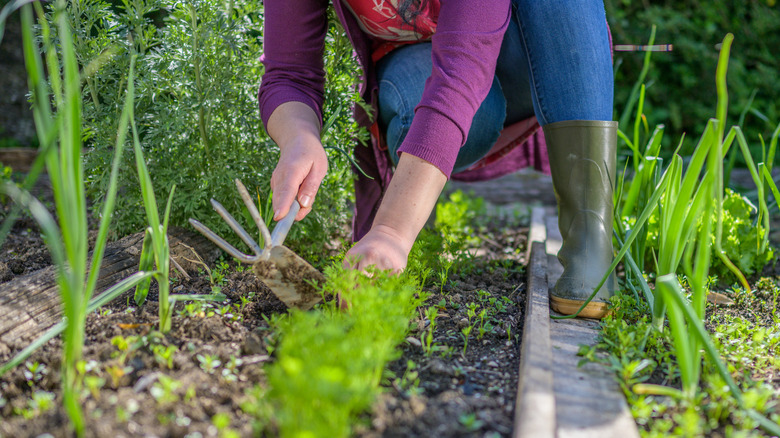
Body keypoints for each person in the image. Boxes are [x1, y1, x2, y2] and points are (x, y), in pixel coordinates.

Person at [259, 0, 617, 319]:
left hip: (527, 56)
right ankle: (414, 205)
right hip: (418, 66)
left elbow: (461, 71)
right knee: (428, 105)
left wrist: (390, 232)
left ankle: (590, 235)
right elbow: (289, 75)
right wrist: (299, 138)